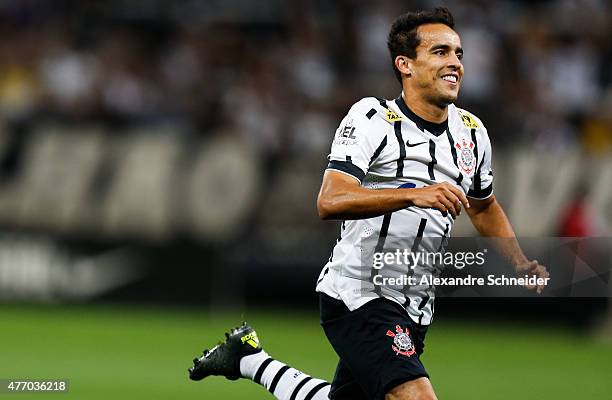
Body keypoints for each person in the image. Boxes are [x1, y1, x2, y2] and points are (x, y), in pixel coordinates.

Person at [187, 7, 549, 400]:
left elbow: (483, 205)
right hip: (360, 291)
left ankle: (248, 359)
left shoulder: (473, 135)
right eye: (441, 52)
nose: (455, 64)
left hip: (415, 305)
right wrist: (413, 193)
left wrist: (518, 261)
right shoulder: (373, 118)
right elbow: (331, 199)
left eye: (459, 53)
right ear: (405, 65)